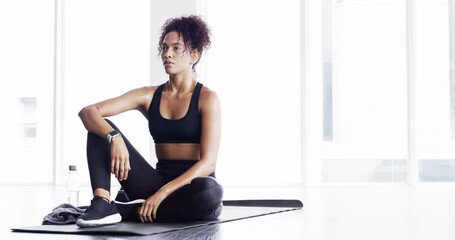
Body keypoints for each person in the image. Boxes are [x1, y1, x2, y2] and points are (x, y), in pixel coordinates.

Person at [76, 15, 223, 228]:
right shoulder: (149, 96)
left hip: (191, 188)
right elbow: (88, 112)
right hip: (153, 184)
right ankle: (103, 203)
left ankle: (130, 209)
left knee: (211, 191)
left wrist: (161, 195)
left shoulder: (207, 98)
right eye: (164, 47)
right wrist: (114, 137)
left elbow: (208, 163)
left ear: (194, 55)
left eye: (176, 48)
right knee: (99, 130)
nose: (167, 53)